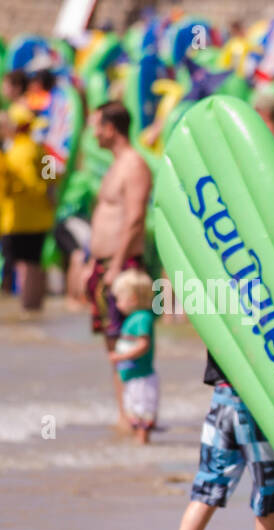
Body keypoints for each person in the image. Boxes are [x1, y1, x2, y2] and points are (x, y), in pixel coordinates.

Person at [158, 349, 274, 530]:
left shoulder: (217, 307)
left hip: (222, 399)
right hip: (256, 401)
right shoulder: (264, 307)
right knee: (267, 486)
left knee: (208, 486)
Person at [85, 101, 152, 429]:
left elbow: (135, 216)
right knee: (112, 342)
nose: (94, 132)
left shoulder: (134, 164)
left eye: (97, 126)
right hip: (105, 263)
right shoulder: (114, 165)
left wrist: (115, 266)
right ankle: (125, 415)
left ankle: (139, 416)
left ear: (111, 128)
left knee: (130, 340)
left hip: (121, 265)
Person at [0, 102, 55, 311]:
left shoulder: (20, 151)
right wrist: (49, 196)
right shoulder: (39, 147)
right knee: (33, 263)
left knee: (25, 265)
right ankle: (35, 307)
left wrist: (16, 190)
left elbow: (30, 183)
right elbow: (51, 175)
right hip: (39, 217)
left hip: (21, 219)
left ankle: (29, 309)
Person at [107, 269, 159, 443]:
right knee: (134, 413)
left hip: (142, 378)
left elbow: (144, 345)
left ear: (133, 299)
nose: (117, 303)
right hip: (132, 377)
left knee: (143, 413)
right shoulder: (131, 319)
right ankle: (139, 446)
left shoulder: (142, 318)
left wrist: (121, 357)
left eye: (119, 299)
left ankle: (143, 444)